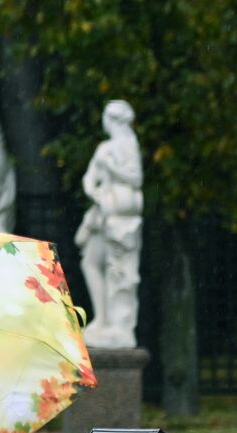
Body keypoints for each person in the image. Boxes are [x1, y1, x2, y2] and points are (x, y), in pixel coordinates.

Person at [76, 99, 143, 349]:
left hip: (120, 213)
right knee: (91, 262)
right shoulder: (104, 147)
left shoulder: (128, 145)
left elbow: (136, 179)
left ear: (113, 119)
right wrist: (95, 194)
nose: (103, 121)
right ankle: (102, 321)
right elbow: (88, 179)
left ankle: (118, 325)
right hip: (104, 210)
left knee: (118, 269)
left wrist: (112, 168)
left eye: (105, 116)